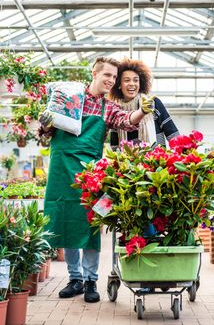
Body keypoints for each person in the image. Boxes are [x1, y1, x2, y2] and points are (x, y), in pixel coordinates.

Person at [39, 56, 155, 303]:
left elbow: (126, 121)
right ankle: (75, 279)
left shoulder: (108, 107)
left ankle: (91, 280)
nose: (112, 81)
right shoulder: (70, 98)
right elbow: (47, 131)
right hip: (61, 169)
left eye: (114, 77)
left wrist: (141, 112)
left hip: (89, 173)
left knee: (90, 223)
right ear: (94, 73)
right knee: (66, 220)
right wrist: (46, 125)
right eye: (108, 76)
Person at [109, 58, 179, 149]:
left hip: (155, 160)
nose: (132, 84)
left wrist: (182, 153)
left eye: (135, 80)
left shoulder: (152, 103)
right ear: (119, 84)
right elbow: (115, 145)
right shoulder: (116, 110)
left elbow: (171, 132)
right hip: (127, 162)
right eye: (127, 80)